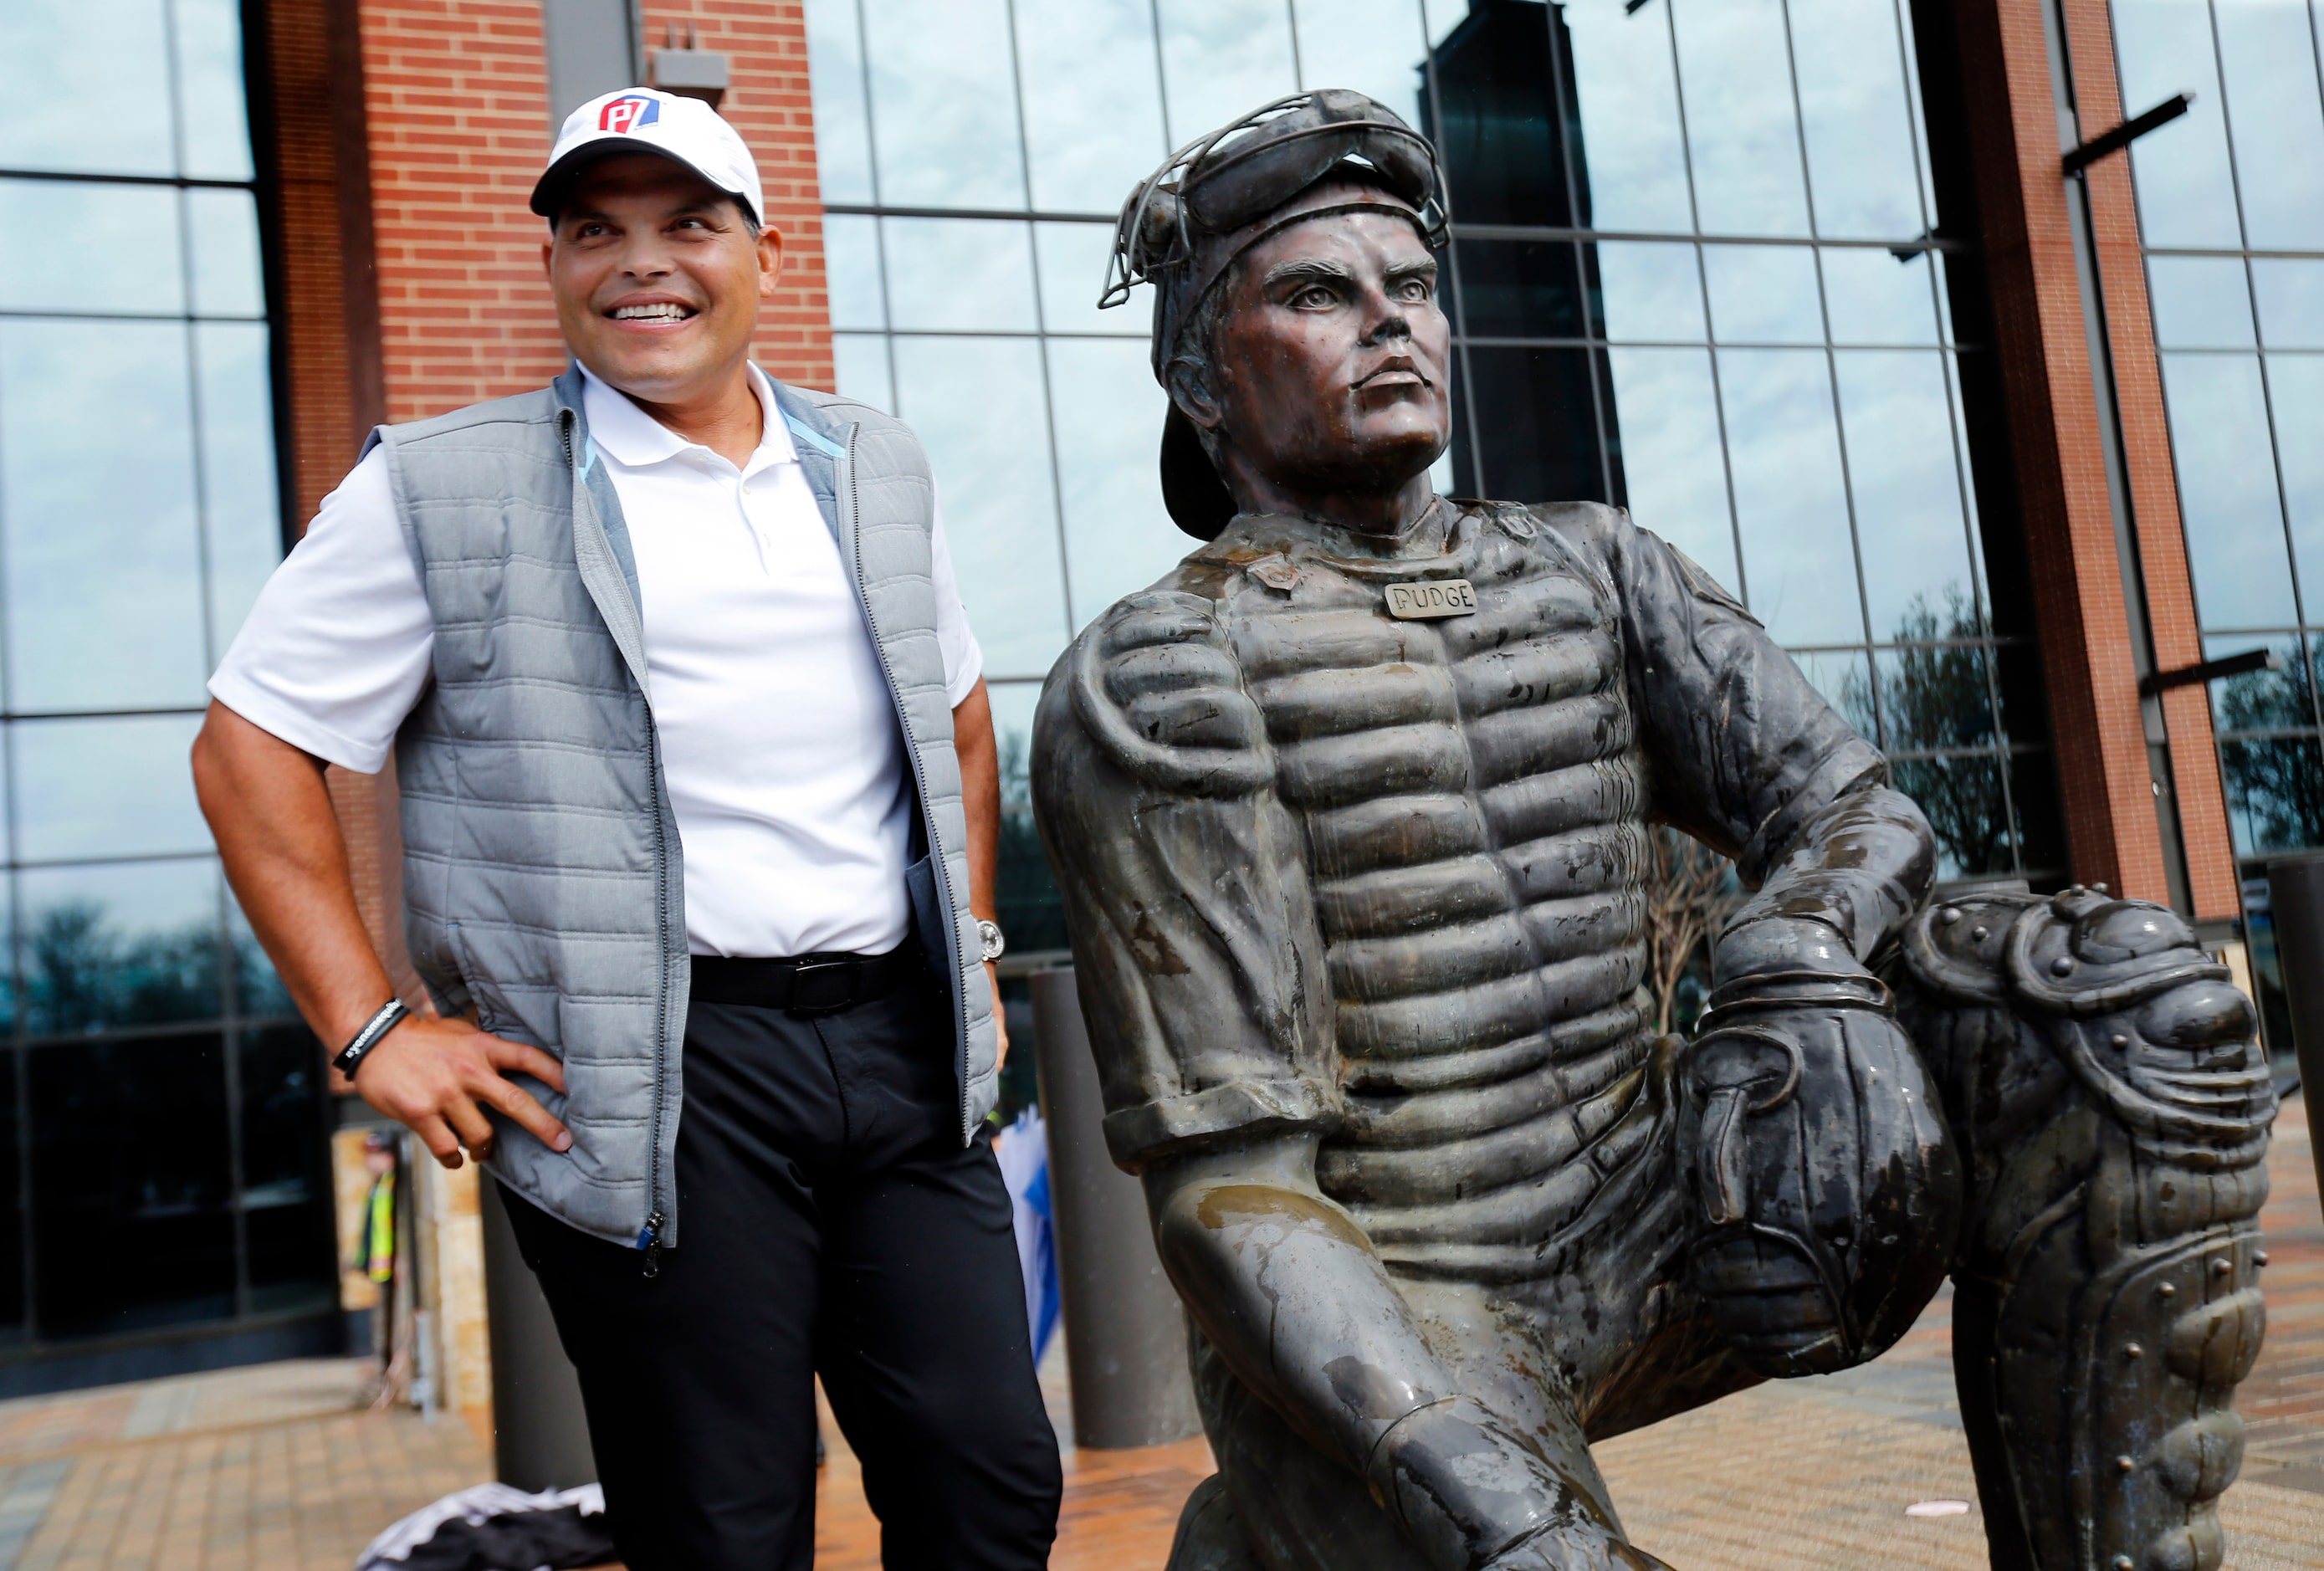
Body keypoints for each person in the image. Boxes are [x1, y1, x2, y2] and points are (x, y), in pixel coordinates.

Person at [195, 86, 1062, 1571]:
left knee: (987, 1476)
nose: (638, 261)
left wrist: (970, 940)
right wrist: (370, 1027)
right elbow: (250, 746)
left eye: (686, 224)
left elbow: (962, 718)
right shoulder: (439, 486)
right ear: (553, 270)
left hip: (899, 1052)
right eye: (593, 230)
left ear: (765, 256)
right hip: (658, 1078)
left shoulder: (874, 465)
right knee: (724, 1526)